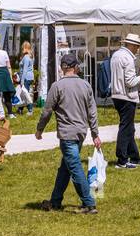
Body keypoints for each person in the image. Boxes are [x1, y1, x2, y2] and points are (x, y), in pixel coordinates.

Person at [36, 52, 101, 214]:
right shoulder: (85, 85)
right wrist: (95, 133)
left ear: (62, 68)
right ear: (76, 67)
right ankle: (55, 201)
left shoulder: (57, 86)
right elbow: (92, 112)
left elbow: (47, 111)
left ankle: (89, 203)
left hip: (67, 134)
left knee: (75, 168)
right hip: (81, 132)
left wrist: (39, 129)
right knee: (65, 168)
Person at [110, 33, 140, 168]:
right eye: (136, 46)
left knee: (129, 128)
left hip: (117, 94)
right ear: (131, 45)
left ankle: (134, 156)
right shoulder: (128, 58)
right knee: (126, 128)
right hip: (127, 96)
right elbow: (130, 82)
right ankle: (122, 159)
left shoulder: (116, 55)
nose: (137, 49)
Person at [17, 41, 35, 116]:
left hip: (26, 77)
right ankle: (20, 109)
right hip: (28, 77)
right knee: (23, 93)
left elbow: (25, 70)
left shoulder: (26, 57)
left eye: (22, 48)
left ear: (25, 48)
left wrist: (22, 80)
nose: (21, 50)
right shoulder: (30, 56)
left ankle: (30, 110)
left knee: (25, 94)